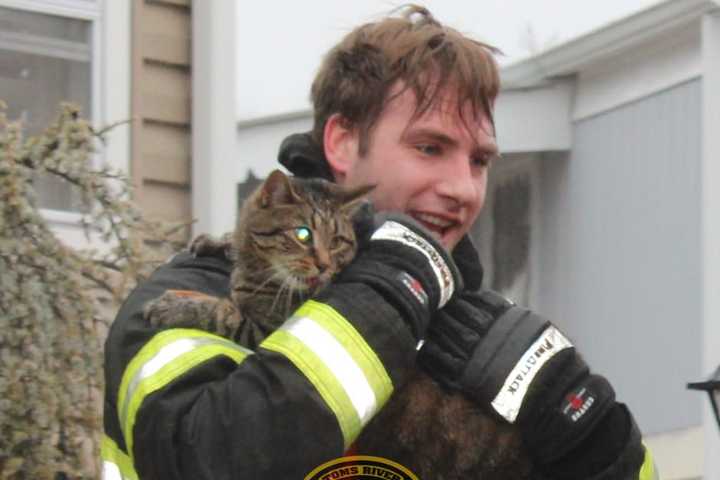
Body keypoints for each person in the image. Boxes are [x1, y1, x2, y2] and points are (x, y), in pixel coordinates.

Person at [101, 5, 657, 479]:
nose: (462, 188)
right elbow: (208, 457)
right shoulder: (195, 291)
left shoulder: (484, 339)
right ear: (342, 141)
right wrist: (387, 294)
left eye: (480, 160)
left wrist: (596, 439)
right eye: (430, 148)